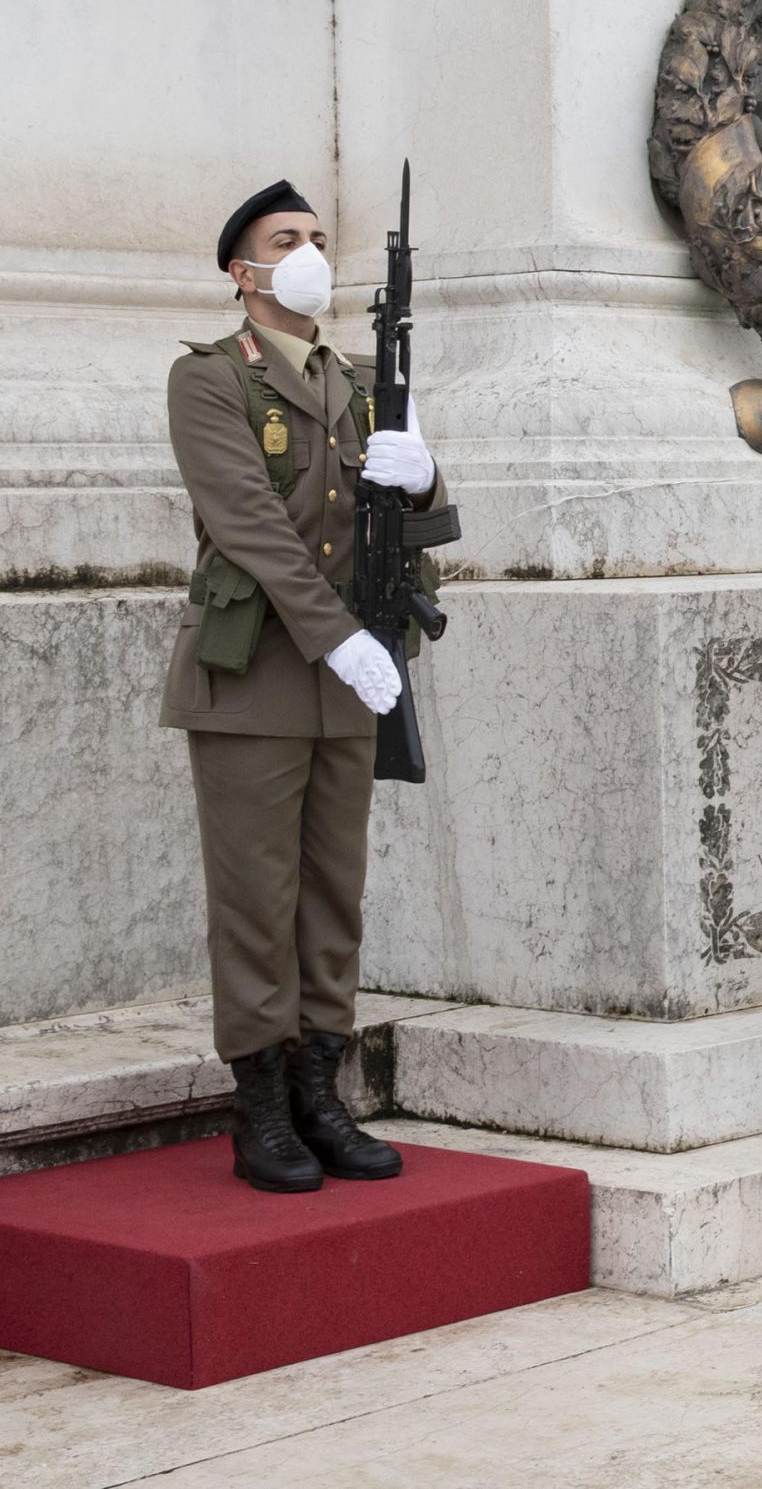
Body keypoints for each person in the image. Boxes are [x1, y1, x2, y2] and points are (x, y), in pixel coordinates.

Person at [163, 181, 443, 1194]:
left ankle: (322, 1092)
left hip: (349, 679)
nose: (310, 252)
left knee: (334, 895)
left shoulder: (363, 380)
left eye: (319, 237)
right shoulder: (207, 381)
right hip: (254, 675)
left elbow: (411, 512)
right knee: (256, 898)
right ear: (243, 272)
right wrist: (337, 641)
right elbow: (248, 524)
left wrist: (423, 478)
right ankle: (262, 1111)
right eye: (286, 240)